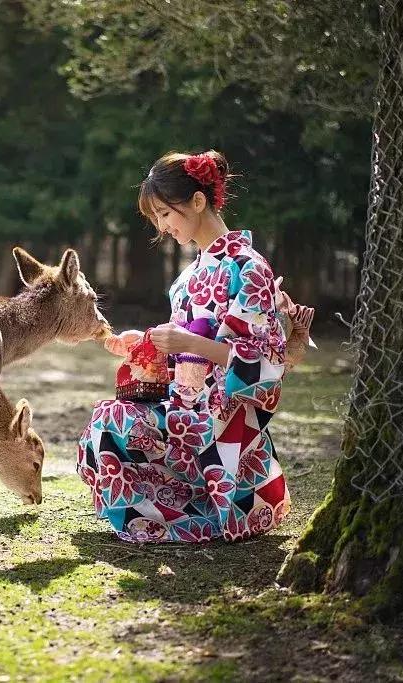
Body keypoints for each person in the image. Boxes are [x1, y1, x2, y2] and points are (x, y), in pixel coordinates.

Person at [77, 150, 313, 543]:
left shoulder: (249, 268)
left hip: (226, 421)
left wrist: (189, 342)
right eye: (155, 219)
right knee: (108, 420)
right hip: (183, 407)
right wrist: (150, 344)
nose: (162, 226)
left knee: (117, 424)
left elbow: (267, 364)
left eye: (165, 214)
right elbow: (180, 357)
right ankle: (167, 510)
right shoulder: (187, 278)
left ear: (198, 201)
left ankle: (216, 508)